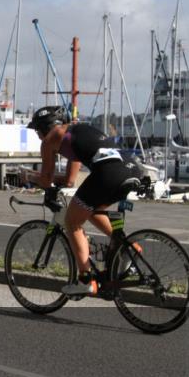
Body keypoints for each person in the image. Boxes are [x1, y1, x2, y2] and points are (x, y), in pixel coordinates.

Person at [28, 106, 141, 297]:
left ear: (44, 128)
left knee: (72, 221)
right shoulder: (77, 132)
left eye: (37, 130)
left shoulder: (49, 140)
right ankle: (129, 247)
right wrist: (53, 180)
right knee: (89, 208)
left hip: (108, 174)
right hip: (132, 169)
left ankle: (85, 280)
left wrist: (29, 177)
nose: (38, 135)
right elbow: (70, 180)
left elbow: (46, 180)